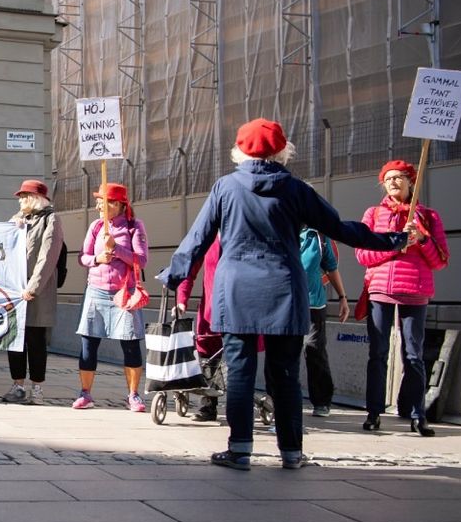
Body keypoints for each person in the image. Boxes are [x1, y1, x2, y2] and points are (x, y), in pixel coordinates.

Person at [158, 118, 410, 471]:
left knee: (241, 372)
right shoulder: (295, 189)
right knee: (287, 374)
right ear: (282, 150)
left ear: (239, 150)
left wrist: (174, 276)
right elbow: (338, 228)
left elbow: (197, 239)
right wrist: (392, 240)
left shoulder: (225, 188)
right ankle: (291, 452)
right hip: (284, 290)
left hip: (237, 291)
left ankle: (240, 449)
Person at [356, 159, 449, 437]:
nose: (394, 182)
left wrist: (421, 239)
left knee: (414, 355)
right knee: (378, 353)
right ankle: (373, 412)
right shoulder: (372, 214)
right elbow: (362, 254)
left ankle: (417, 414)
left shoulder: (428, 217)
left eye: (399, 177)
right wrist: (395, 245)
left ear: (411, 182)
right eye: (388, 178)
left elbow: (441, 261)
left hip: (415, 291)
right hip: (380, 290)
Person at [72, 183, 148, 412]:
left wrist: (116, 249)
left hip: (124, 293)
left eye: (101, 201)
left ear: (116, 204)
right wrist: (97, 258)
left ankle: (133, 394)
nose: (97, 205)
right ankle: (85, 393)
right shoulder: (96, 226)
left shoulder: (135, 227)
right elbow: (82, 257)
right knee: (88, 343)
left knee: (131, 344)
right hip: (96, 290)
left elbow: (141, 260)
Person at [3, 179, 63, 405]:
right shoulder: (18, 219)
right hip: (15, 291)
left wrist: (33, 287)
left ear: (36, 198)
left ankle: (37, 388)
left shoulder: (51, 219)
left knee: (36, 341)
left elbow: (48, 257)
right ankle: (17, 385)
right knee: (15, 340)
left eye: (24, 196)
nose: (21, 200)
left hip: (37, 292)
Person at [299, 227, 349, 417]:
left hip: (314, 304)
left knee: (315, 351)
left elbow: (331, 266)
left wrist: (342, 297)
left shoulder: (319, 235)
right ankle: (279, 398)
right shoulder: (281, 228)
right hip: (287, 303)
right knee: (284, 354)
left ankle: (321, 401)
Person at [175, 238, 224, 421]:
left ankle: (239, 406)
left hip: (240, 310)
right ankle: (209, 405)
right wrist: (182, 300)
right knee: (208, 354)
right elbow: (190, 268)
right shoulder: (209, 237)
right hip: (211, 310)